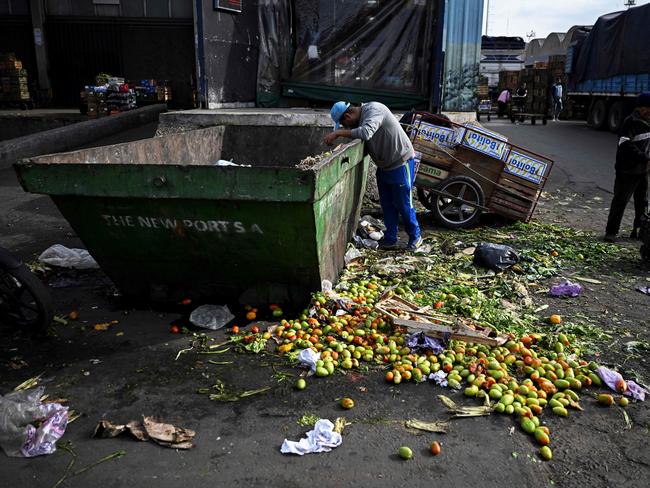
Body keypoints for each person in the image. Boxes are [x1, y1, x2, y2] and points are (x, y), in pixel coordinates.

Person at [324, 101, 422, 250]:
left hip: (400, 163)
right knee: (387, 205)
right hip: (384, 167)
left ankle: (416, 237)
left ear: (349, 115)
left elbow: (366, 132)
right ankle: (390, 238)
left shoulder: (374, 110)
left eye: (345, 125)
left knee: (404, 204)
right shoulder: (361, 120)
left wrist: (338, 133)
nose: (347, 129)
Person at [604, 93, 650, 242]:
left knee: (642, 203)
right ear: (639, 108)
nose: (648, 111)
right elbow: (625, 145)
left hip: (643, 170)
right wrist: (644, 157)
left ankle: (638, 230)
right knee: (620, 201)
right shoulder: (630, 122)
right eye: (646, 108)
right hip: (627, 169)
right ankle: (611, 232)